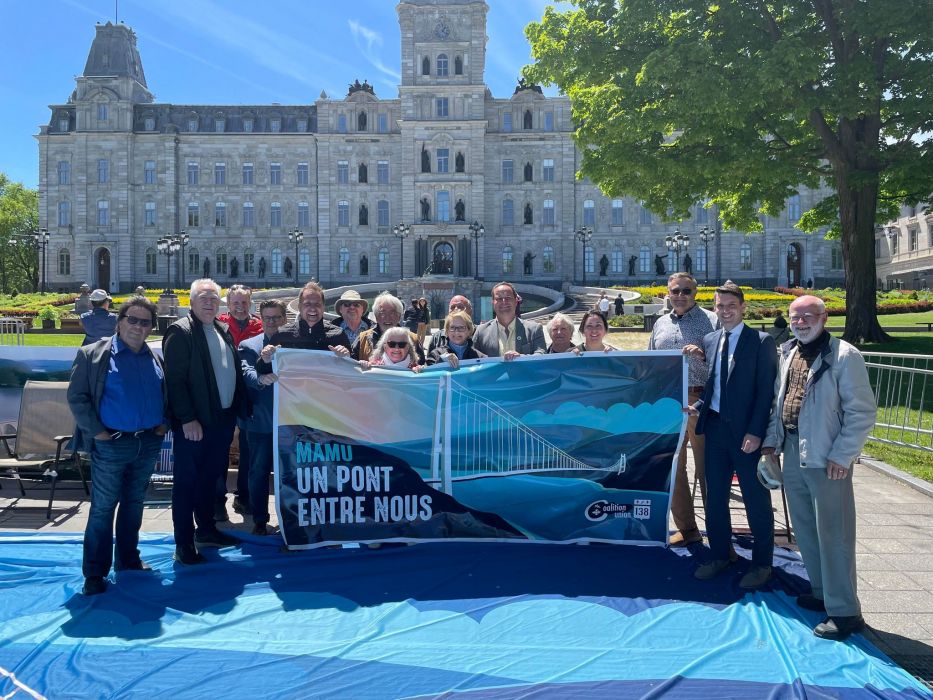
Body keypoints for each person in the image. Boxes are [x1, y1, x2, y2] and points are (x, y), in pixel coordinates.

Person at [762, 295, 876, 640]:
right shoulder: (790, 352)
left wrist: (843, 455)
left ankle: (845, 611)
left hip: (828, 457)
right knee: (806, 528)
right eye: (795, 317)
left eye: (808, 316)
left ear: (824, 318)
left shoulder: (844, 356)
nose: (800, 322)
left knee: (834, 533)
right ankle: (822, 592)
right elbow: (780, 402)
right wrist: (772, 441)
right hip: (795, 450)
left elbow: (862, 412)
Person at [67, 296, 168, 595]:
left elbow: (166, 393)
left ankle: (127, 560)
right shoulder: (92, 355)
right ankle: (95, 573)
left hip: (147, 443)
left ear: (151, 326)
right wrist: (97, 433)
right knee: (103, 508)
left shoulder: (155, 357)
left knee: (134, 504)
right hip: (111, 444)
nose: (138, 326)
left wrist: (164, 423)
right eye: (132, 320)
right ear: (120, 321)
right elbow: (77, 397)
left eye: (145, 322)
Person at [687, 281, 777, 589]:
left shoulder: (761, 341)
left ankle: (763, 563)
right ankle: (720, 555)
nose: (725, 311)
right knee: (715, 499)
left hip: (745, 434)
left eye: (731, 306)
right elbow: (714, 385)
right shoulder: (711, 340)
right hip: (714, 429)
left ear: (742, 308)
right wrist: (697, 406)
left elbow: (765, 392)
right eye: (720, 306)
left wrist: (755, 432)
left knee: (755, 498)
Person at [163, 279, 250, 565]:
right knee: (187, 484)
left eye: (214, 297)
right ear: (191, 301)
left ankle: (207, 531)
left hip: (220, 421)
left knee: (208, 480)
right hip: (195, 424)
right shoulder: (181, 331)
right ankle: (184, 543)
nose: (210, 302)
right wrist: (187, 419)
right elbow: (174, 382)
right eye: (203, 297)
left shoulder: (221, 330)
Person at [648, 273, 719, 547]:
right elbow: (651, 361)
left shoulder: (711, 321)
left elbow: (725, 362)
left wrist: (703, 354)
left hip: (701, 400)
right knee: (673, 466)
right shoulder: (660, 323)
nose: (680, 295)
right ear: (668, 291)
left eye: (686, 291)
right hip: (670, 402)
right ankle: (687, 529)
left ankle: (717, 529)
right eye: (675, 290)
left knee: (707, 469)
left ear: (696, 293)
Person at [238, 299, 287, 536]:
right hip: (260, 421)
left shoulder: (294, 344)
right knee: (258, 472)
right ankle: (259, 520)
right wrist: (260, 378)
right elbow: (245, 371)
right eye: (267, 318)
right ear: (260, 318)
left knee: (288, 473)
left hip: (291, 423)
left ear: (285, 319)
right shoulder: (249, 344)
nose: (272, 323)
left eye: (277, 318)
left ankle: (288, 519)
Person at [215, 284, 263, 519]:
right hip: (223, 395)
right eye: (236, 303)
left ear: (250, 303)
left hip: (249, 398)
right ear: (227, 304)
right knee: (219, 449)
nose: (240, 307)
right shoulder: (216, 326)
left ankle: (244, 497)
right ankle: (217, 500)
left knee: (248, 449)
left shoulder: (259, 326)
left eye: (244, 303)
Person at [472, 282, 546, 359]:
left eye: (508, 298)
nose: (504, 301)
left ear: (516, 301)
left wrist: (521, 358)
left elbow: (542, 354)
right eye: (499, 299)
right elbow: (471, 356)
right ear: (493, 302)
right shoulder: (481, 331)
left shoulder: (534, 329)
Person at [353, 292, 426, 364]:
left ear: (399, 316)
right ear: (376, 316)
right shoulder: (363, 339)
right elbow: (351, 366)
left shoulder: (413, 339)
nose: (387, 317)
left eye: (392, 313)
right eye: (383, 313)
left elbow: (422, 367)